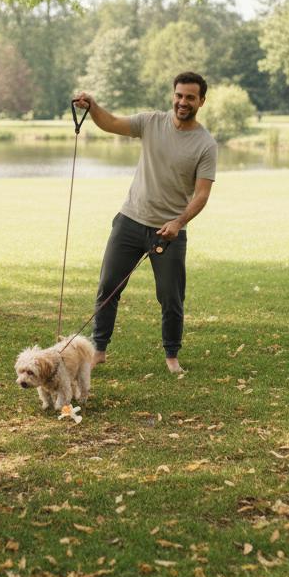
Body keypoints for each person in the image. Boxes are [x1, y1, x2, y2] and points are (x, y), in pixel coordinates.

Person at [72, 72, 217, 373]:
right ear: (173, 96)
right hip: (130, 220)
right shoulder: (151, 122)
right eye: (179, 95)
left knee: (170, 297)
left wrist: (178, 222)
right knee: (108, 286)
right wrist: (93, 107)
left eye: (190, 97)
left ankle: (172, 356)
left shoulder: (205, 144)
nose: (183, 102)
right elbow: (111, 123)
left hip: (169, 232)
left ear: (201, 101)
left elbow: (201, 195)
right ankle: (98, 350)